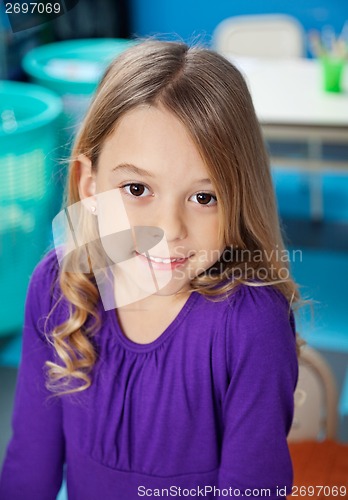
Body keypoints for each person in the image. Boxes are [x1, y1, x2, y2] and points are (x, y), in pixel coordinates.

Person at [0, 40, 299, 499]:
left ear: (239, 199)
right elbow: (29, 464)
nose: (168, 228)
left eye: (204, 197)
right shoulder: (57, 284)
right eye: (137, 188)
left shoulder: (251, 325)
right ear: (89, 182)